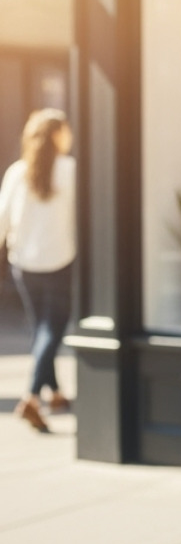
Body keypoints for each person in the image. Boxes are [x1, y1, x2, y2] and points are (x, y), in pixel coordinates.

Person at [0, 110, 77, 432]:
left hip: (24, 264)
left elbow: (3, 217)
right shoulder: (70, 170)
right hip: (59, 261)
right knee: (51, 330)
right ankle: (31, 397)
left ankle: (55, 394)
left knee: (42, 329)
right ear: (58, 135)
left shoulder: (18, 172)